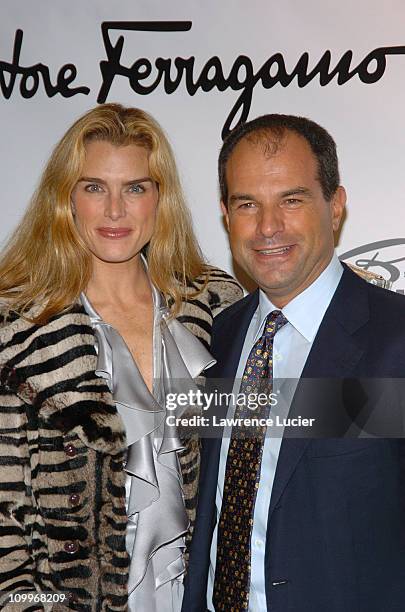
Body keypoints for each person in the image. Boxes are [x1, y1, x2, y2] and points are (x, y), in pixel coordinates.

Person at [0, 103, 242, 611]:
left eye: (135, 188)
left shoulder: (219, 310)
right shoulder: (15, 329)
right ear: (64, 198)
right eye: (94, 187)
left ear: (161, 198)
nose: (115, 210)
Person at [183, 114, 405, 611]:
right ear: (225, 214)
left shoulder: (396, 340)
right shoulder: (209, 342)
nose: (267, 227)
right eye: (247, 204)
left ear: (335, 206)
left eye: (291, 199)